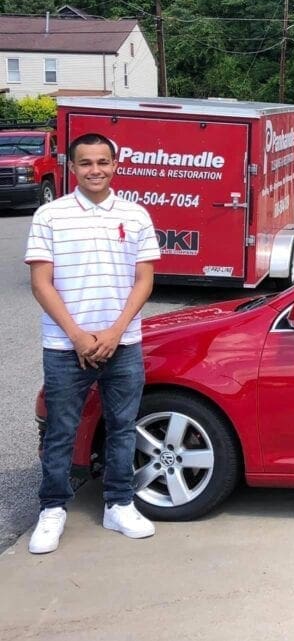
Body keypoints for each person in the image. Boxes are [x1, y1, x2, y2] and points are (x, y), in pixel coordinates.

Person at [24, 132, 161, 554]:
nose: (95, 170)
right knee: (62, 431)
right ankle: (52, 509)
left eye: (103, 162)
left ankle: (118, 503)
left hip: (124, 343)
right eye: (86, 163)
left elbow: (145, 279)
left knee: (122, 428)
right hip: (66, 348)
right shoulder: (50, 215)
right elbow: (41, 283)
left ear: (115, 165)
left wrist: (116, 331)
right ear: (72, 166)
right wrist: (79, 335)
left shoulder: (136, 215)